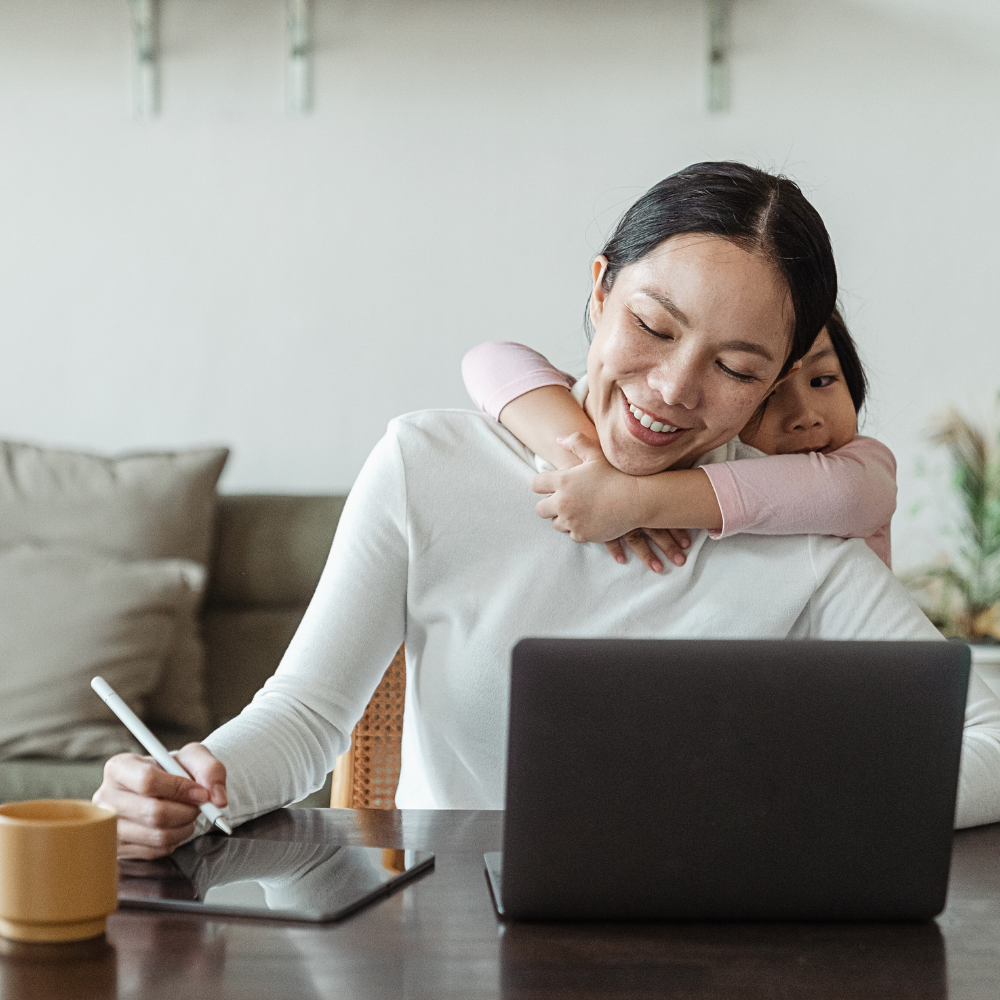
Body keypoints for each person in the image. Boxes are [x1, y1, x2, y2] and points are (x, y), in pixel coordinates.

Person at [94, 162, 1000, 859]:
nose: (674, 390)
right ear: (600, 289)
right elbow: (303, 721)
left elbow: (990, 734)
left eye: (735, 368)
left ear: (774, 382)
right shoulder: (429, 465)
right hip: (442, 943)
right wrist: (186, 783)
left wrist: (812, 804)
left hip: (717, 953)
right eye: (653, 326)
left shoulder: (797, 536)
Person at [461, 309, 896, 571]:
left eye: (824, 380)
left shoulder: (862, 466)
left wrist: (635, 498)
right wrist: (589, 466)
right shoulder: (695, 450)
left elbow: (845, 495)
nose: (806, 417)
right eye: (766, 395)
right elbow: (490, 360)